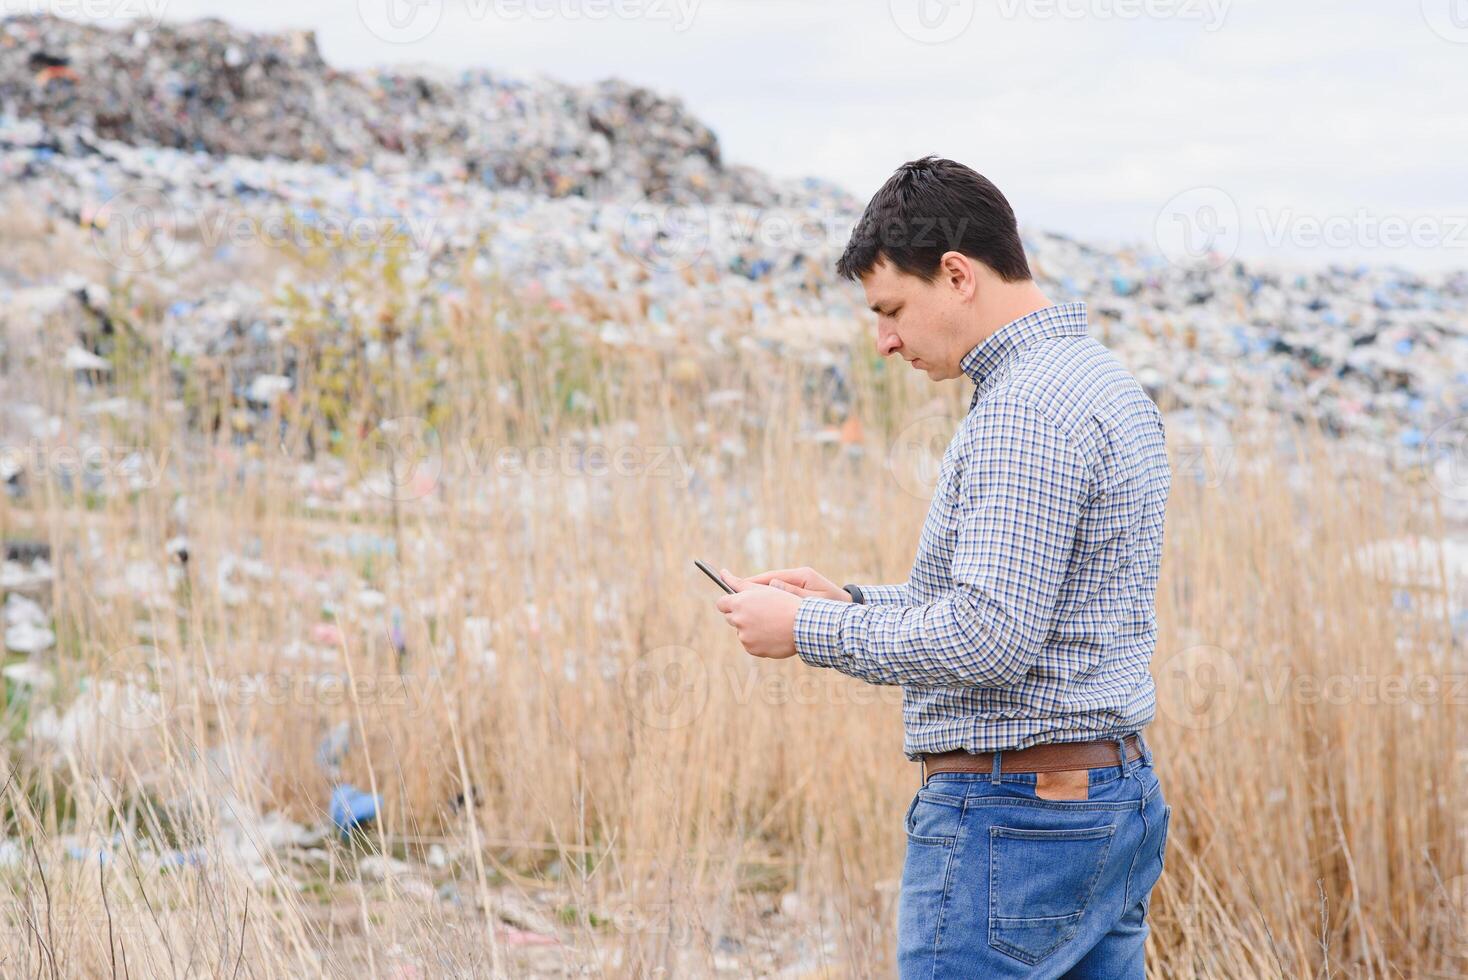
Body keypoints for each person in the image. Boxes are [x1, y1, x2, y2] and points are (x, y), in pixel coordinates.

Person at [714, 156, 1172, 978]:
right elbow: (1031, 607)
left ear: (957, 274)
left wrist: (808, 630)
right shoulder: (1101, 382)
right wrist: (850, 600)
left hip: (1015, 823)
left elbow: (988, 638)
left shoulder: (1023, 410)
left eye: (891, 308)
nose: (885, 340)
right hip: (1106, 804)